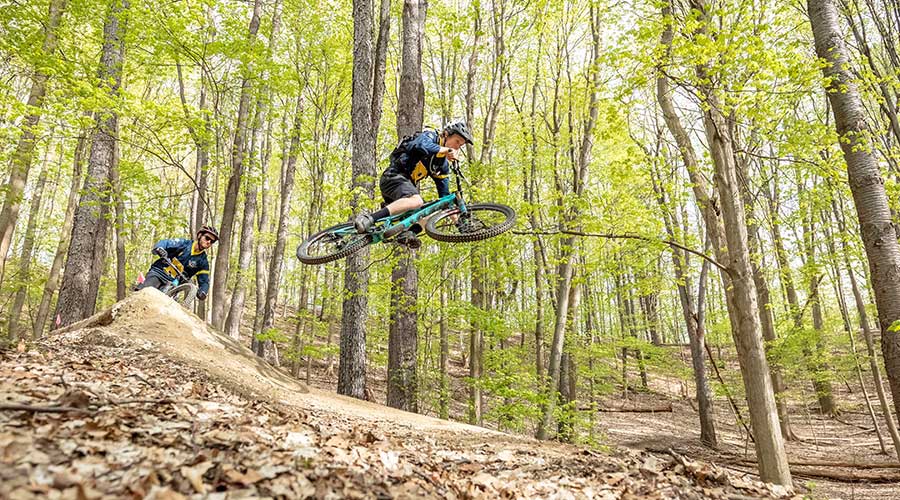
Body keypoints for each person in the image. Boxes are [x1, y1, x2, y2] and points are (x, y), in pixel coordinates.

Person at [354, 120, 475, 249]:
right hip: (393, 177)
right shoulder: (430, 136)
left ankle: (408, 234)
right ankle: (369, 218)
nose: (457, 147)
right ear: (446, 134)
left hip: (403, 189)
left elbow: (445, 199)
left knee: (431, 211)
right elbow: (418, 145)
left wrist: (458, 224)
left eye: (460, 145)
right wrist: (444, 149)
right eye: (457, 142)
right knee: (417, 200)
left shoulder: (442, 165)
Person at [136, 225, 218, 300]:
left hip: (174, 283)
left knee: (169, 304)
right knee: (144, 292)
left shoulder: (203, 262)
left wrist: (203, 291)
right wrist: (160, 248)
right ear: (200, 235)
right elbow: (166, 243)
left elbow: (204, 281)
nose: (209, 242)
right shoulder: (184, 244)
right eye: (207, 238)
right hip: (159, 273)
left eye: (212, 242)